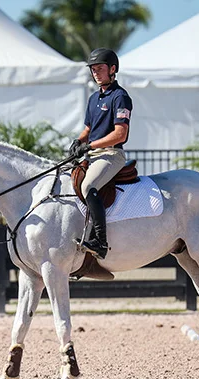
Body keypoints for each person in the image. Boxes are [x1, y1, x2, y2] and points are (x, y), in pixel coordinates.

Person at [68, 47, 133, 260]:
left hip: (111, 155)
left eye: (99, 69)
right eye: (93, 69)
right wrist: (79, 141)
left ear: (112, 69)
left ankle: (100, 242)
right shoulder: (94, 98)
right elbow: (88, 129)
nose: (95, 73)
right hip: (93, 154)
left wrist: (91, 145)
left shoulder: (120, 97)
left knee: (88, 186)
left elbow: (120, 134)